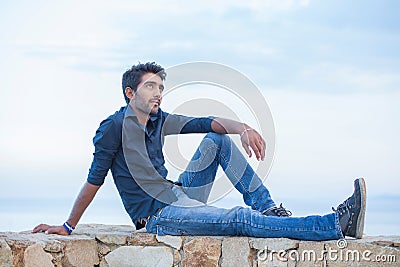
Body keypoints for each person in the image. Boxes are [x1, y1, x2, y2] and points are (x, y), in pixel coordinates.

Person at [33, 62, 366, 241]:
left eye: (161, 87)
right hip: (159, 217)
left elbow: (208, 124)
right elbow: (94, 180)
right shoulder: (113, 128)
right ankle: (334, 225)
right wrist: (68, 226)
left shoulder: (160, 119)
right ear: (129, 91)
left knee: (216, 141)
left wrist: (243, 128)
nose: (158, 93)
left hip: (179, 195)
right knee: (237, 219)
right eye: (151, 86)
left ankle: (268, 210)